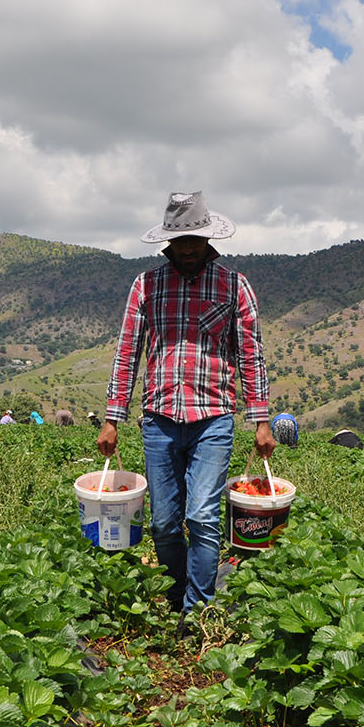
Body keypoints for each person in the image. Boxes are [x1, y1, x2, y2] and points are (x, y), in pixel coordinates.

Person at [98, 190, 274, 625]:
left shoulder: (234, 285)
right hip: (159, 420)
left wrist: (261, 419)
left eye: (195, 239)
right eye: (181, 240)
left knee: (202, 516)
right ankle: (177, 597)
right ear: (169, 241)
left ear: (208, 238)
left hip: (213, 418)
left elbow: (250, 355)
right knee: (163, 523)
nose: (189, 248)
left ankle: (197, 612)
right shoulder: (146, 285)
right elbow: (127, 352)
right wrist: (112, 417)